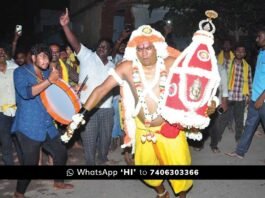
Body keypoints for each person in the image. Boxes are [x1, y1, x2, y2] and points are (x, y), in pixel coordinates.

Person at [64, 23, 217, 197]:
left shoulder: (170, 63)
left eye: (148, 48)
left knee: (179, 170)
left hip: (169, 127)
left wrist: (206, 105)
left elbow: (196, 81)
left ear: (157, 48)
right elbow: (100, 90)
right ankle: (162, 193)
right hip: (144, 128)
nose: (144, 52)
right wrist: (80, 116)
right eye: (140, 48)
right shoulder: (127, 68)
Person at [11, 43, 73, 198]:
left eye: (48, 57)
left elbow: (55, 94)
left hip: (46, 124)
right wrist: (50, 81)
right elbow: (27, 93)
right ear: (33, 58)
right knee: (30, 164)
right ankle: (19, 193)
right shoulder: (20, 72)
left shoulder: (47, 74)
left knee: (61, 153)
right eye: (43, 57)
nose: (46, 60)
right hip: (28, 126)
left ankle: (58, 182)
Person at [60, 8, 115, 165]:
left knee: (105, 139)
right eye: (99, 45)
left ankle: (102, 158)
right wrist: (65, 26)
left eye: (105, 47)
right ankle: (90, 165)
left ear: (110, 51)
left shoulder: (113, 65)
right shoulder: (87, 56)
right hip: (87, 108)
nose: (101, 48)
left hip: (106, 108)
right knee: (89, 140)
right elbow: (74, 42)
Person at [226, 28, 265, 159]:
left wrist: (261, 98)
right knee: (249, 127)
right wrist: (252, 96)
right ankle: (239, 152)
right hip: (255, 98)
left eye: (259, 36)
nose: (257, 39)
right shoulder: (261, 52)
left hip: (262, 100)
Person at [0, 43, 18, 165]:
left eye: (2, 51)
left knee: (19, 139)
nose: (1, 53)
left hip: (17, 110)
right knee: (5, 141)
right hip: (1, 112)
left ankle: (23, 160)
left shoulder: (14, 67)